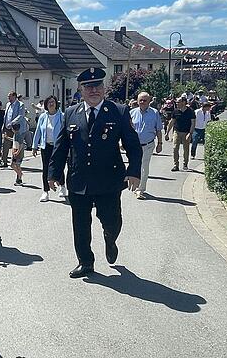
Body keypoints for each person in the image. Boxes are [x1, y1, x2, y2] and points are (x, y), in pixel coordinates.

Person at [47, 68, 142, 279]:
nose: (93, 90)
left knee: (112, 220)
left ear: (104, 88)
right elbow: (61, 147)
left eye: (97, 86)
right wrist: (53, 173)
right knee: (80, 224)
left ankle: (110, 237)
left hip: (109, 180)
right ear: (81, 89)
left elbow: (133, 146)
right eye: (88, 87)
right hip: (79, 179)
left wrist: (134, 171)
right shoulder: (71, 113)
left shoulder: (118, 111)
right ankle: (85, 262)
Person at [129, 92, 163, 199]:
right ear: (137, 101)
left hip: (148, 145)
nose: (142, 102)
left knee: (144, 166)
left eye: (145, 100)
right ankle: (135, 184)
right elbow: (127, 130)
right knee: (135, 165)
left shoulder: (154, 113)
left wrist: (160, 144)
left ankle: (140, 189)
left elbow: (158, 129)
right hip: (134, 146)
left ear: (149, 101)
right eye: (141, 100)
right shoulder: (132, 113)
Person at [32, 95, 66, 202]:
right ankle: (45, 192)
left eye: (53, 102)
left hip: (58, 146)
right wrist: (34, 146)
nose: (51, 104)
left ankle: (62, 186)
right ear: (46, 105)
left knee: (58, 167)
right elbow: (38, 131)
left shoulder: (62, 116)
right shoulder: (43, 117)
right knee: (46, 169)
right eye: (49, 102)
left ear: (56, 104)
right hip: (46, 146)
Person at [166, 97, 195, 171]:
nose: (177, 103)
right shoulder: (175, 111)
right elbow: (171, 122)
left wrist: (190, 133)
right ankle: (176, 165)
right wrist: (167, 133)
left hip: (186, 132)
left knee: (186, 149)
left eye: (178, 102)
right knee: (175, 148)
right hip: (177, 131)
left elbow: (193, 123)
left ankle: (185, 164)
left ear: (184, 102)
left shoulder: (190, 111)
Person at [1, 92, 25, 168]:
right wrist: (3, 125)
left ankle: (14, 162)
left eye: (10, 96)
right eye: (8, 97)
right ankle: (4, 161)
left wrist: (12, 123)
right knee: (5, 144)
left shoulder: (20, 105)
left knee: (15, 145)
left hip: (16, 129)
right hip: (7, 128)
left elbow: (20, 116)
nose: (8, 98)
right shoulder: (8, 104)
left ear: (14, 96)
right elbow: (6, 116)